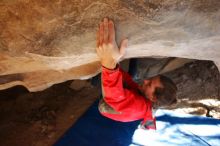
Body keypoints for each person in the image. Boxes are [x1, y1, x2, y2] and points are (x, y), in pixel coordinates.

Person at [96, 18, 177, 130]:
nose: (145, 81)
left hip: (108, 103)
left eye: (149, 85)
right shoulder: (145, 97)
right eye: (150, 79)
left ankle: (93, 80)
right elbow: (130, 83)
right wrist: (115, 63)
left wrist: (108, 62)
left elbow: (114, 96)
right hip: (125, 96)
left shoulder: (137, 108)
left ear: (153, 98)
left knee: (99, 78)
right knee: (131, 75)